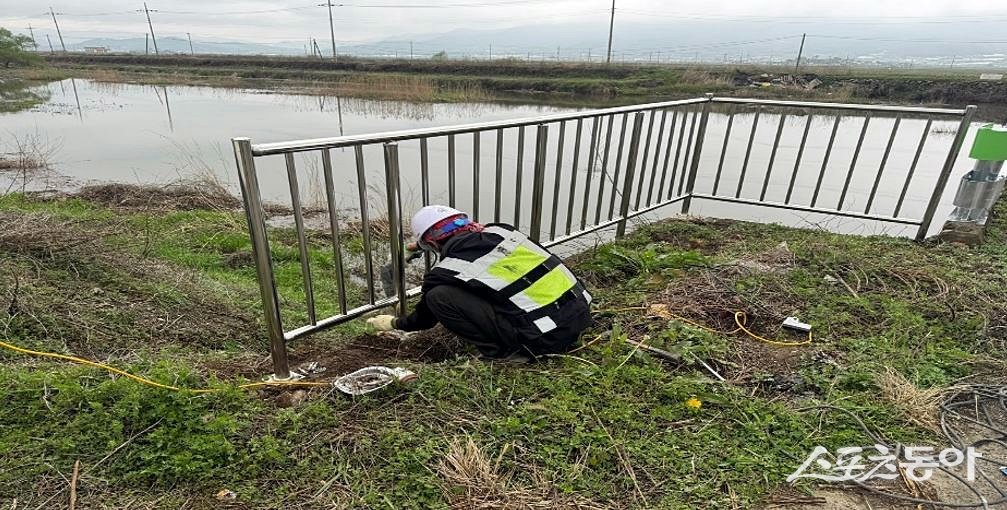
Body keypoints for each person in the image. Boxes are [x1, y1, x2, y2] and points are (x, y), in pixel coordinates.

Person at [367, 205, 592, 361]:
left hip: (545, 338)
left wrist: (394, 323)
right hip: (580, 314)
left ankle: (502, 355)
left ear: (432, 244)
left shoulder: (444, 272)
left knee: (439, 297)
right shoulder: (504, 231)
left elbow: (423, 321)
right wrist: (417, 247)